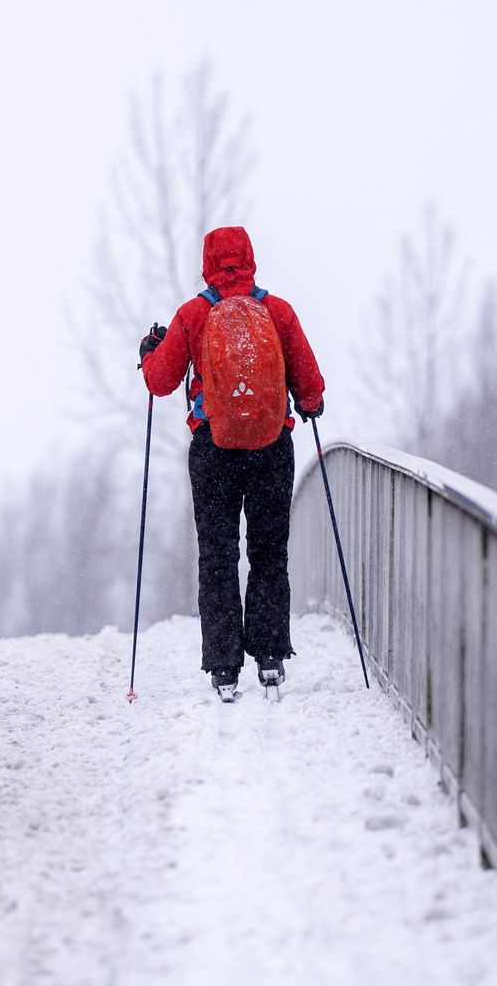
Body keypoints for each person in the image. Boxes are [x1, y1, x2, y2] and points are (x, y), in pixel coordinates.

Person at [139, 226, 326, 701]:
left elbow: (161, 382)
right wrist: (310, 403)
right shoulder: (277, 311)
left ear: (207, 263)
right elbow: (310, 385)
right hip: (271, 447)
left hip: (213, 450)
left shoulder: (193, 314)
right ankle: (270, 657)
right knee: (269, 552)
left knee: (218, 555)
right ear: (250, 259)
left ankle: (224, 667)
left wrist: (149, 352)